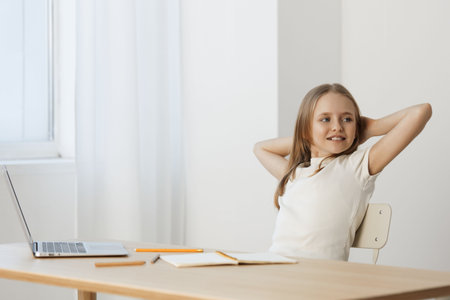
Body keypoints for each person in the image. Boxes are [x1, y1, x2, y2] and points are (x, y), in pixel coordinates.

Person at [254, 83, 432, 261]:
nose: (337, 127)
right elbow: (260, 148)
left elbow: (420, 112)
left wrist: (372, 128)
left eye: (347, 119)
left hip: (323, 274)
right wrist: (306, 138)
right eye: (325, 119)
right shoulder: (294, 173)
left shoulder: (358, 166)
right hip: (279, 265)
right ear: (306, 127)